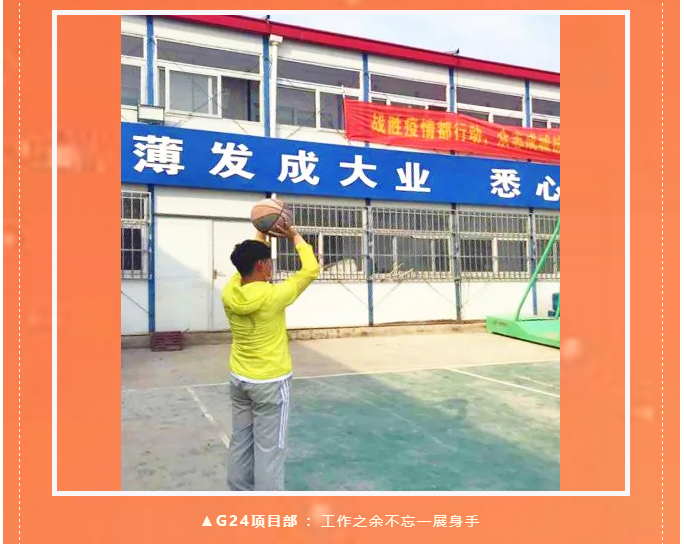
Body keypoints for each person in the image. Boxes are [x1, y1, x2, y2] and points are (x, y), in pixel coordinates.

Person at [221, 224, 320, 491]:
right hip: (271, 382)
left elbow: (244, 267)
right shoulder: (274, 295)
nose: (272, 266)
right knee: (270, 449)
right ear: (262, 266)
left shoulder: (230, 292)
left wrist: (261, 232)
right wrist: (295, 236)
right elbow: (311, 270)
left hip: (239, 379)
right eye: (269, 262)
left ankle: (240, 493)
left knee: (241, 440)